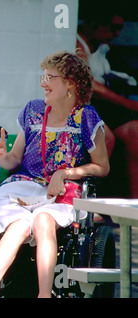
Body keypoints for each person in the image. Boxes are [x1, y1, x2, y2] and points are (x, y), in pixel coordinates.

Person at [0, 51, 110, 298]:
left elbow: (102, 166)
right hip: (23, 186)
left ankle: (44, 294)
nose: (42, 82)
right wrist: (1, 156)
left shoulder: (86, 117)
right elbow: (14, 159)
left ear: (70, 83)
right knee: (17, 226)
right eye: (43, 75)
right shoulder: (33, 111)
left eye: (50, 77)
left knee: (43, 221)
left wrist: (67, 172)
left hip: (61, 190)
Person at [77, 10, 138, 198]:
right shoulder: (76, 43)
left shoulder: (101, 47)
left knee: (135, 132)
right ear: (94, 24)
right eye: (113, 28)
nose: (117, 34)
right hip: (81, 106)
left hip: (101, 108)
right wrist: (128, 104)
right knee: (104, 137)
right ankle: (83, 201)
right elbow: (90, 86)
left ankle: (134, 204)